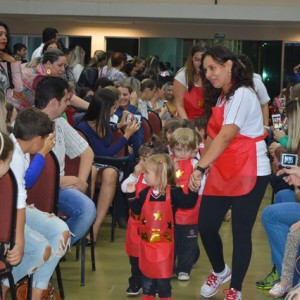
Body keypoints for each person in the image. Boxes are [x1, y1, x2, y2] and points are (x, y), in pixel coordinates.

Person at [189, 46, 270, 300]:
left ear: (229, 66)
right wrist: (201, 165)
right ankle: (220, 270)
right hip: (224, 168)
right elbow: (213, 136)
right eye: (205, 70)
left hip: (251, 169)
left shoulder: (243, 94)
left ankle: (235, 288)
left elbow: (226, 135)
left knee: (240, 231)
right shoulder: (222, 97)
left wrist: (201, 167)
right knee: (207, 225)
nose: (209, 74)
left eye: (213, 68)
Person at [2, 107, 70, 300]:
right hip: (10, 213)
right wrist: (19, 242)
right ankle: (5, 287)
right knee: (42, 249)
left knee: (61, 231)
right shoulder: (12, 154)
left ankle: (36, 293)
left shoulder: (20, 145)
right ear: (36, 140)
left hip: (16, 210)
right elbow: (18, 202)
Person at [34, 76, 96, 246]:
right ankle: (49, 251)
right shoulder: (27, 124)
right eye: (66, 100)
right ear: (54, 102)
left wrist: (81, 182)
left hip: (59, 189)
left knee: (87, 209)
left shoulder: (60, 123)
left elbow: (87, 152)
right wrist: (69, 180)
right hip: (34, 190)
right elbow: (30, 176)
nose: (69, 104)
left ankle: (53, 250)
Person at [126, 153, 198, 300]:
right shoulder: (146, 192)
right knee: (147, 275)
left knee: (163, 276)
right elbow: (137, 210)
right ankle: (148, 294)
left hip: (165, 243)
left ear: (159, 175)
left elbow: (188, 203)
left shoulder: (174, 193)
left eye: (147, 172)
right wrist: (131, 196)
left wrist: (193, 190)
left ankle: (165, 295)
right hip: (147, 243)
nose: (144, 175)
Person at [77, 88, 140, 240]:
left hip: (106, 166)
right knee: (96, 170)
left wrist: (118, 126)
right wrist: (126, 135)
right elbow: (104, 153)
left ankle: (96, 226)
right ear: (105, 108)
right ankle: (86, 221)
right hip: (91, 164)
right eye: (113, 107)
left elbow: (108, 135)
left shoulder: (104, 123)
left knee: (111, 173)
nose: (116, 110)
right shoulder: (84, 127)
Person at [121, 136, 166, 296]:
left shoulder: (159, 182)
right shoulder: (138, 175)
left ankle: (152, 285)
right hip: (135, 225)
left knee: (151, 258)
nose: (141, 162)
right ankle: (136, 282)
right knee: (134, 258)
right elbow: (124, 188)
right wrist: (133, 175)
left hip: (153, 228)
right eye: (141, 158)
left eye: (146, 159)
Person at [169, 127, 202, 281]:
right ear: (172, 148)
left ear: (193, 150)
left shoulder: (196, 164)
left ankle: (184, 269)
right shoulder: (168, 162)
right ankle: (170, 267)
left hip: (191, 210)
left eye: (186, 150)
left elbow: (201, 187)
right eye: (178, 149)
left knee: (188, 241)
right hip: (170, 210)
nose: (182, 153)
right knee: (171, 241)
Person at [22, 48, 88, 110]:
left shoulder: (42, 72)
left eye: (64, 66)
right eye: (60, 65)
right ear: (48, 64)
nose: (63, 69)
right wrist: (90, 107)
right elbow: (68, 97)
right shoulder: (39, 78)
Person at [174, 43, 209, 121]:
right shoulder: (183, 75)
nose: (200, 64)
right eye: (197, 60)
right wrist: (188, 127)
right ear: (192, 59)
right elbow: (179, 105)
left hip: (205, 122)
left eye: (203, 60)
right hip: (185, 121)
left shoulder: (212, 76)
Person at [0, 21, 25, 110]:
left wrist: (12, 61)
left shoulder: (6, 59)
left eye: (5, 34)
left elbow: (18, 89)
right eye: (0, 34)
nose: (4, 38)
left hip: (7, 109)